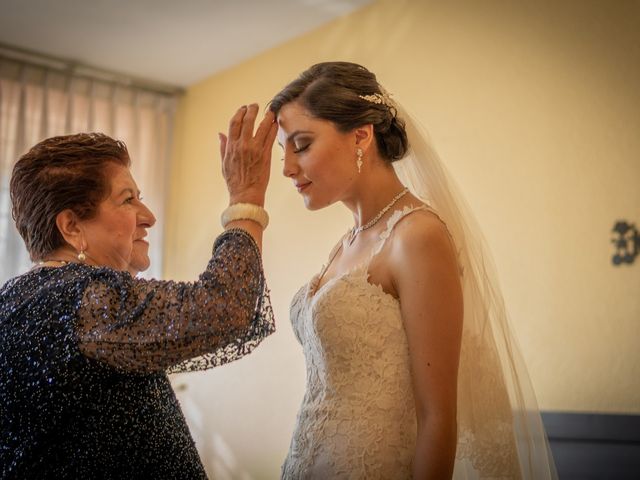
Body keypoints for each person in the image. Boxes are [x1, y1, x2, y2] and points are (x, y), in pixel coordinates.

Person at [271, 62, 557, 479]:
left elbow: (438, 419)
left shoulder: (417, 236)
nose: (287, 169)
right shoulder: (347, 243)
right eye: (285, 152)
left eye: (301, 145)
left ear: (361, 135)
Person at [0, 104, 277, 479]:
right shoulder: (82, 298)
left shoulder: (16, 298)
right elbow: (224, 307)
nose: (148, 215)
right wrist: (246, 201)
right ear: (71, 226)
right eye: (127, 199)